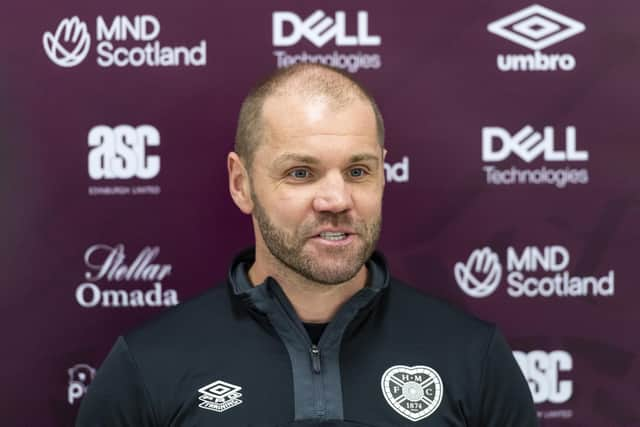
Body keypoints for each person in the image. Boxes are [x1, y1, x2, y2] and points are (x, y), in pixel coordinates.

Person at [76, 64, 538, 426]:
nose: (336, 200)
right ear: (241, 184)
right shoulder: (147, 366)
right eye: (301, 173)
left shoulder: (473, 356)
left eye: (358, 172)